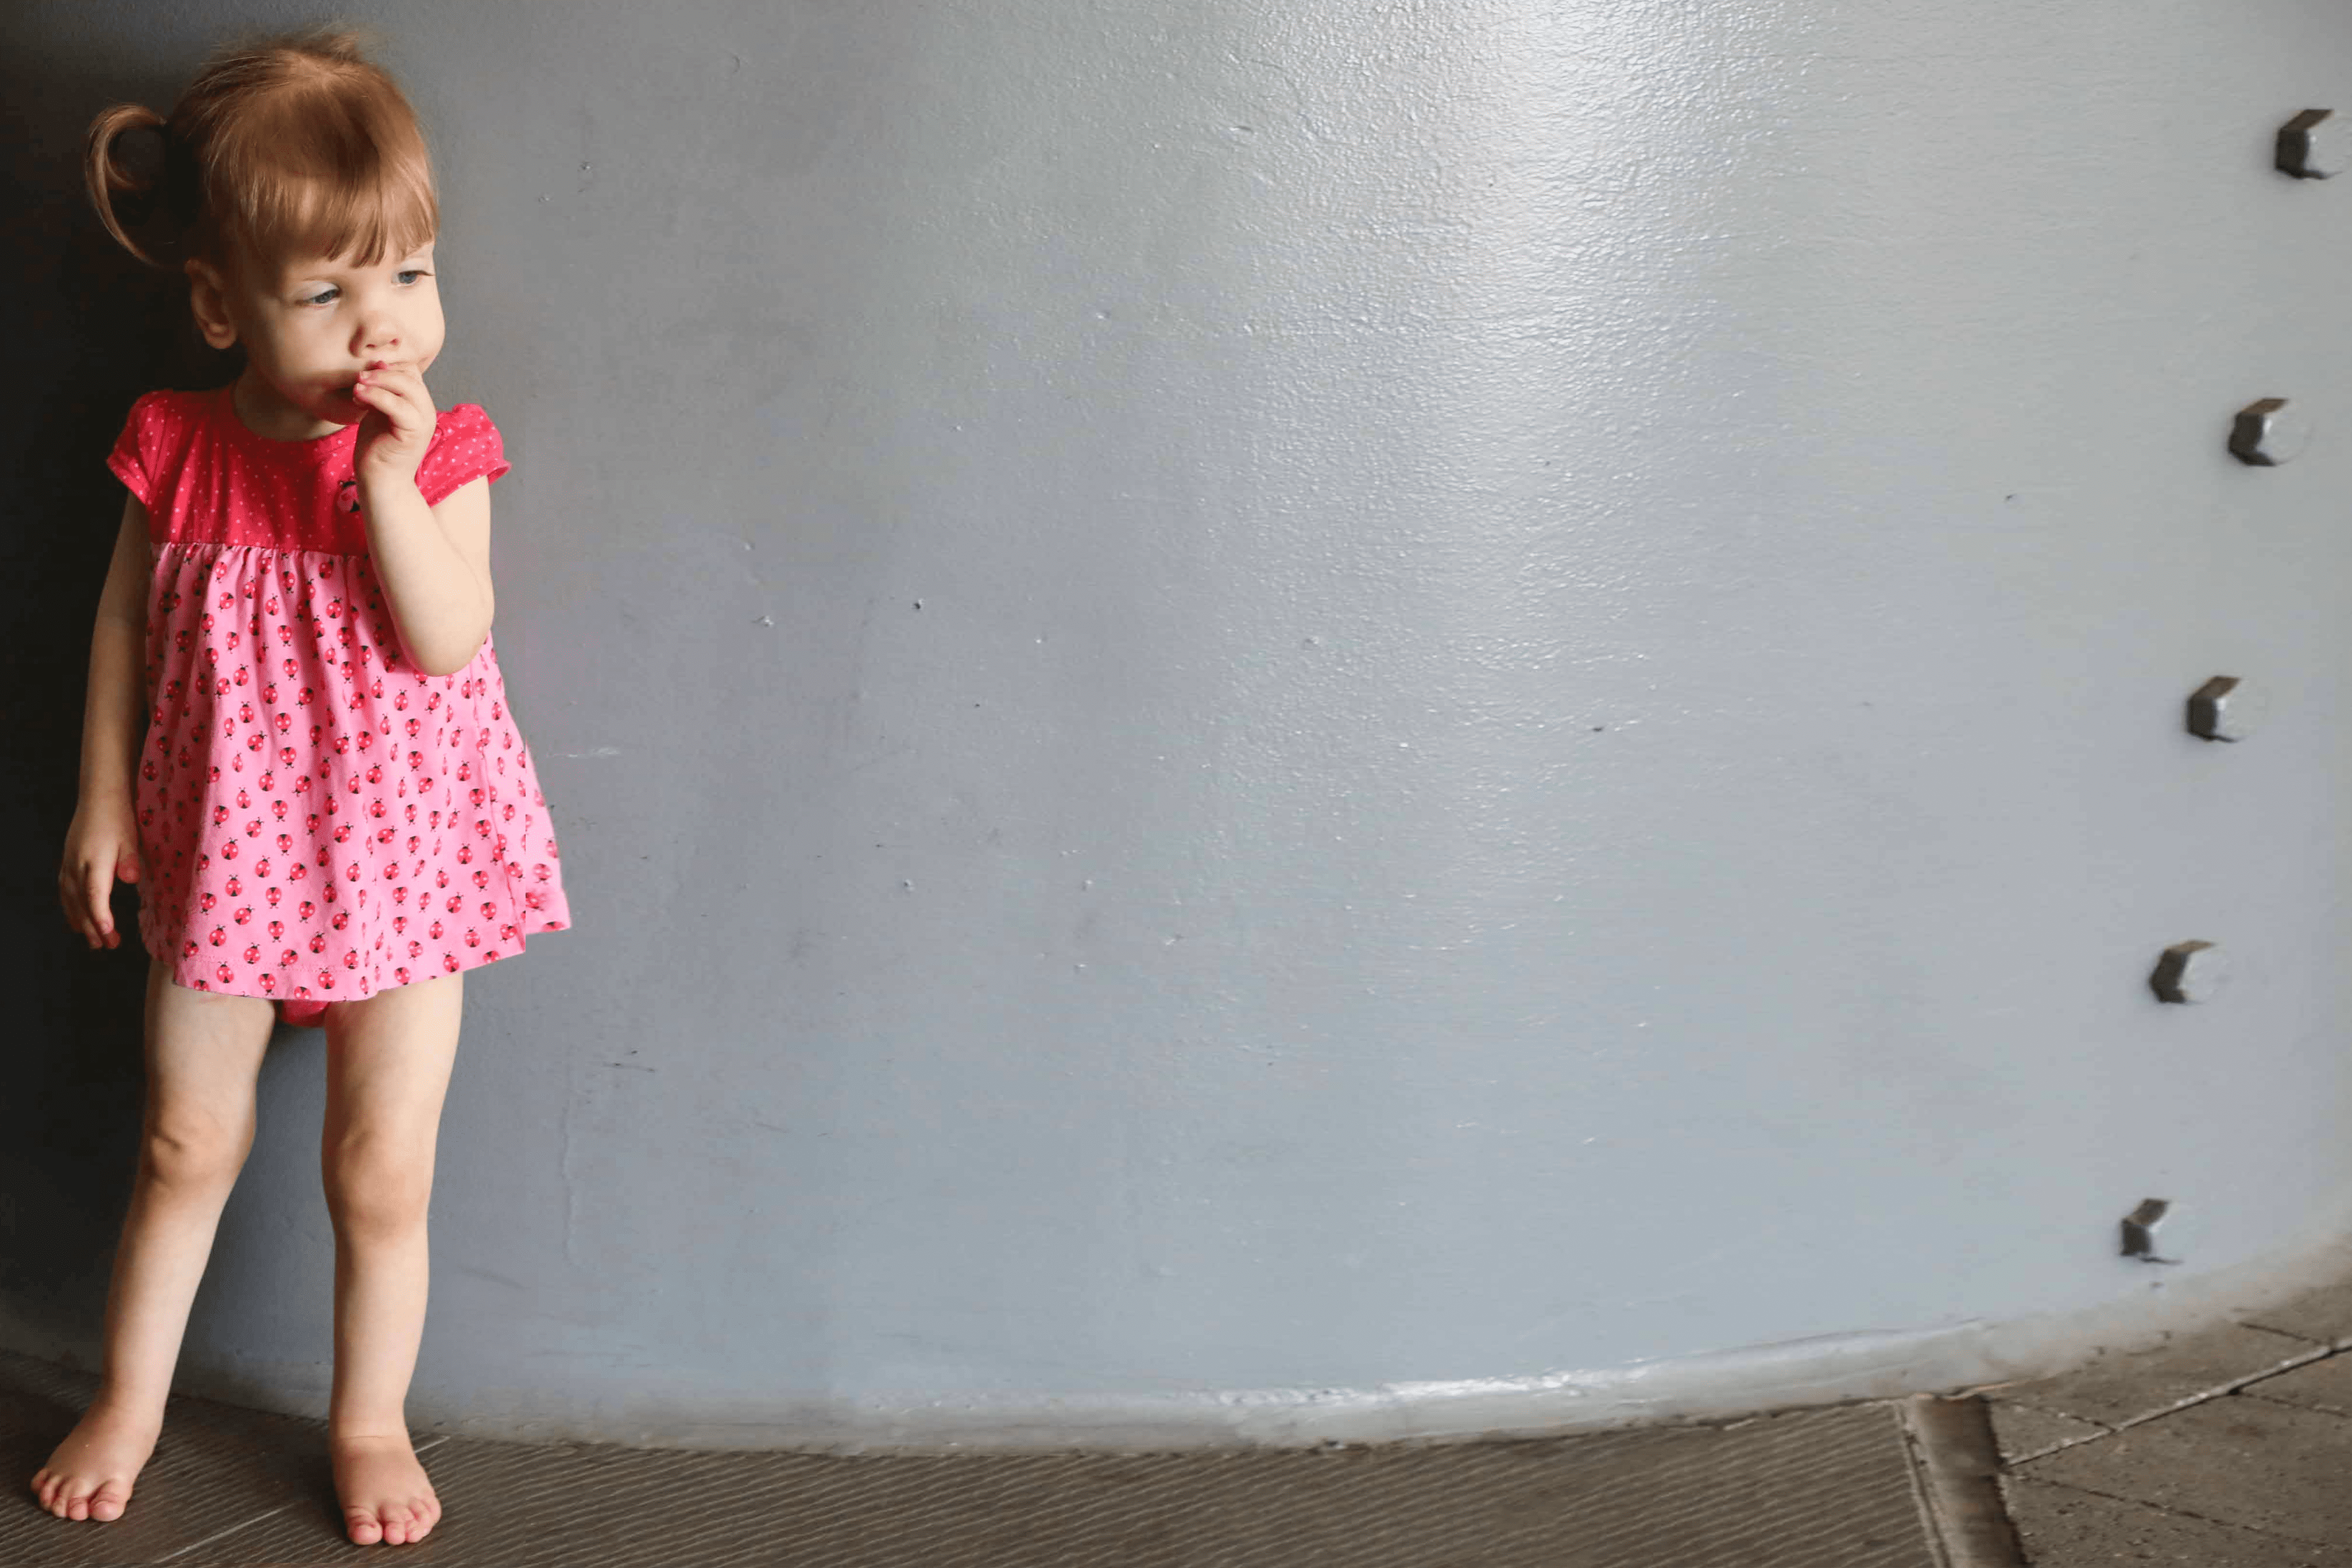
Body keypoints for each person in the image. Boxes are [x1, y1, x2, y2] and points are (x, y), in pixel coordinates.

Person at [37, 24, 573, 1547]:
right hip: (228, 856)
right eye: (328, 292)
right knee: (182, 1136)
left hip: (403, 866)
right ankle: (131, 1399)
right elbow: (124, 625)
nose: (382, 327)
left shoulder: (444, 451)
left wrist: (387, 487)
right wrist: (97, 800)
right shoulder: (179, 445)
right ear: (220, 305)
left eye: (406, 274)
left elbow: (447, 630)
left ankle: (366, 1415)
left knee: (380, 1163)